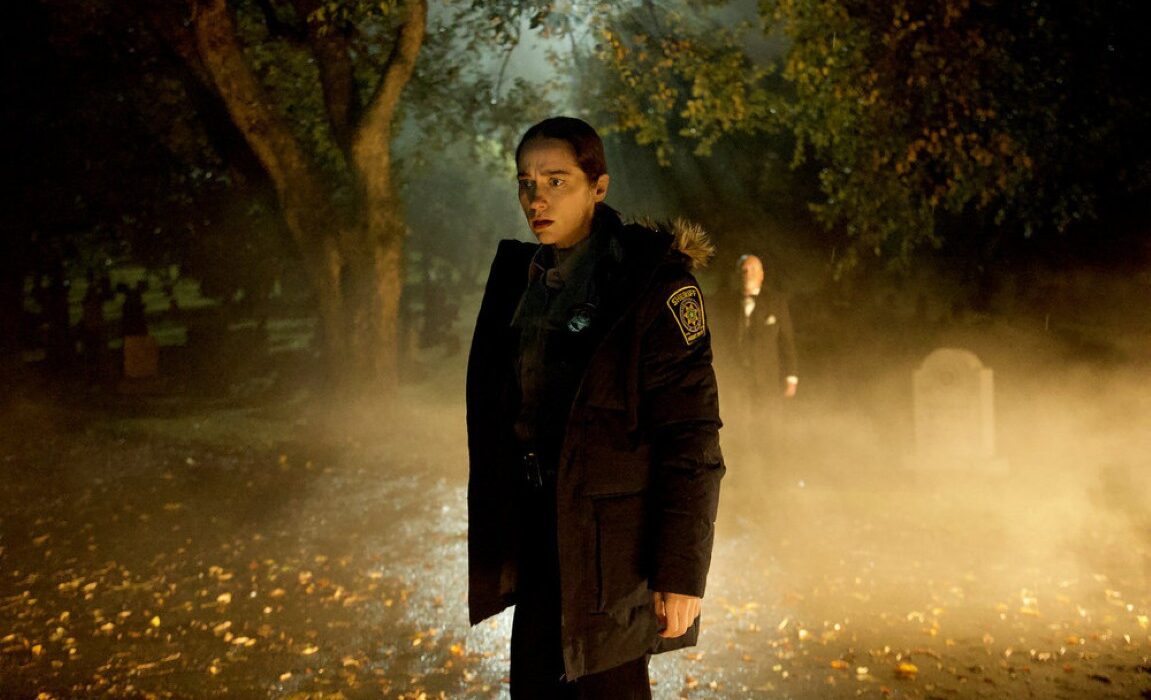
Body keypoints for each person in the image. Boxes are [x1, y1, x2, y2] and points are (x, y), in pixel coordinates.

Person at [466, 117, 725, 698]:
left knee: (605, 689)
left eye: (556, 181)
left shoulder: (652, 286)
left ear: (598, 187)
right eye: (526, 183)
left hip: (612, 554)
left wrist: (681, 574)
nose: (536, 199)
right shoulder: (523, 280)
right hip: (538, 535)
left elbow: (692, 437)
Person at [729, 254, 798, 444]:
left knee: (770, 430)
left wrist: (791, 375)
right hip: (737, 379)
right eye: (743, 270)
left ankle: (771, 460)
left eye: (752, 269)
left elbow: (787, 341)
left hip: (768, 378)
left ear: (762, 275)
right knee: (739, 430)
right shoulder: (726, 303)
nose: (747, 273)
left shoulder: (776, 301)